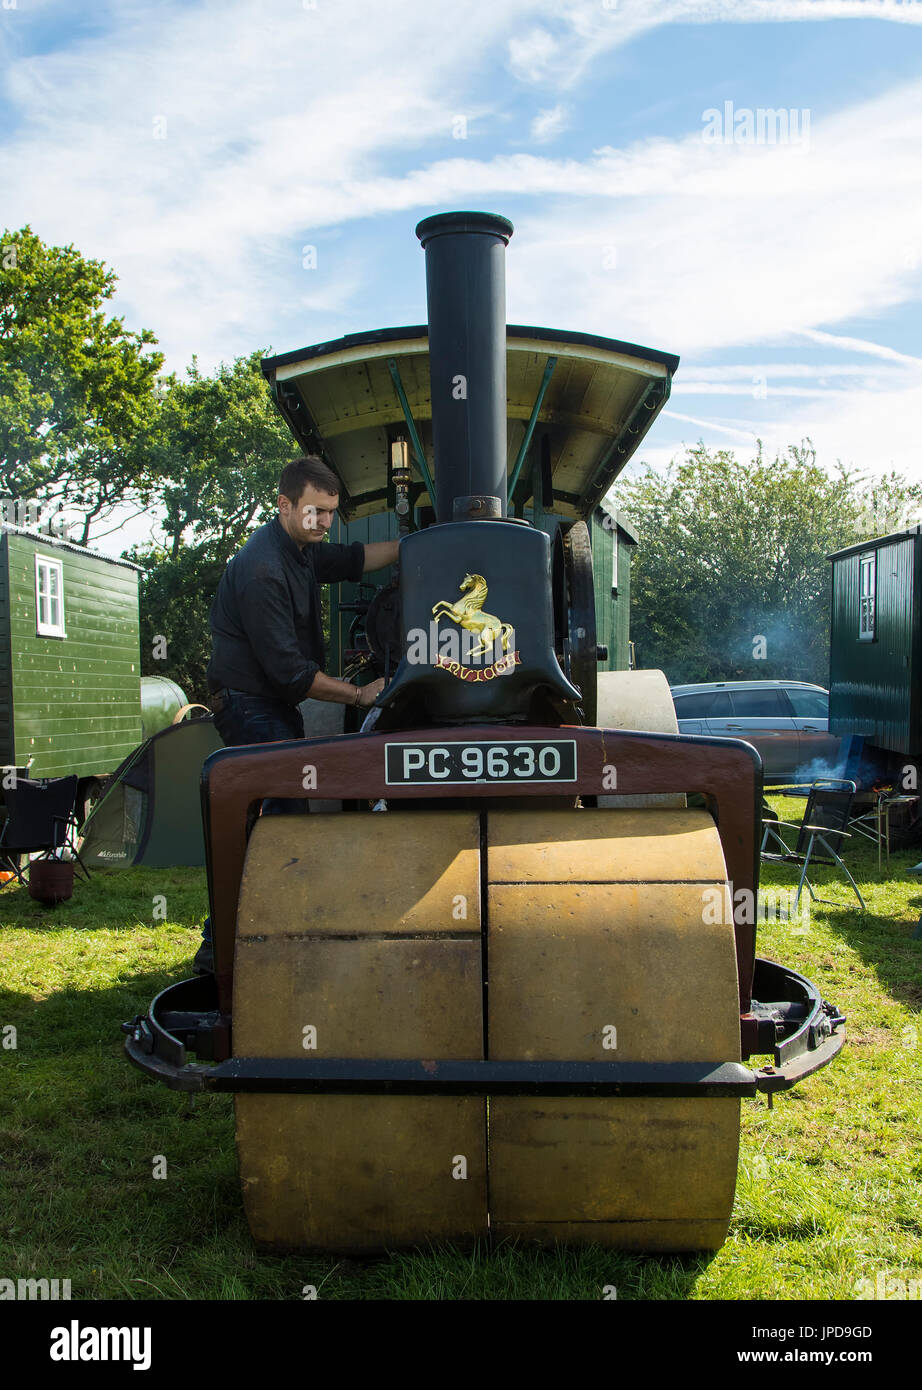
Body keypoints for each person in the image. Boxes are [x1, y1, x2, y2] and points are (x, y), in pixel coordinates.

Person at [194, 454, 399, 972]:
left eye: (331, 513)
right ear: (284, 505)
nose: (324, 523)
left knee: (271, 825)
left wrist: (419, 549)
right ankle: (247, 954)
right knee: (282, 824)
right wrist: (359, 696)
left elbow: (355, 559)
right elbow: (289, 673)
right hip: (249, 707)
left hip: (270, 706)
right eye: (315, 512)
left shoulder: (303, 549)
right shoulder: (262, 569)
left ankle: (231, 948)